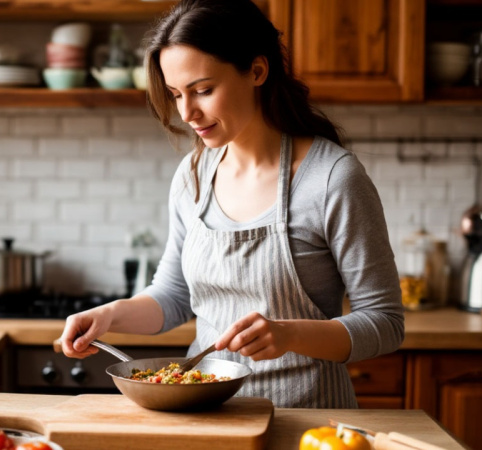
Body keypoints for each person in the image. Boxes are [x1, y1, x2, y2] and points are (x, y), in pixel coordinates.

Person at [59, 0, 404, 408]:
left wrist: (290, 335)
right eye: (176, 94)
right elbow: (173, 296)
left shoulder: (332, 179)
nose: (187, 112)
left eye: (203, 90)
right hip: (204, 417)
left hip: (304, 420)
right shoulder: (194, 174)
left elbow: (384, 322)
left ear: (257, 71)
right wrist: (110, 316)